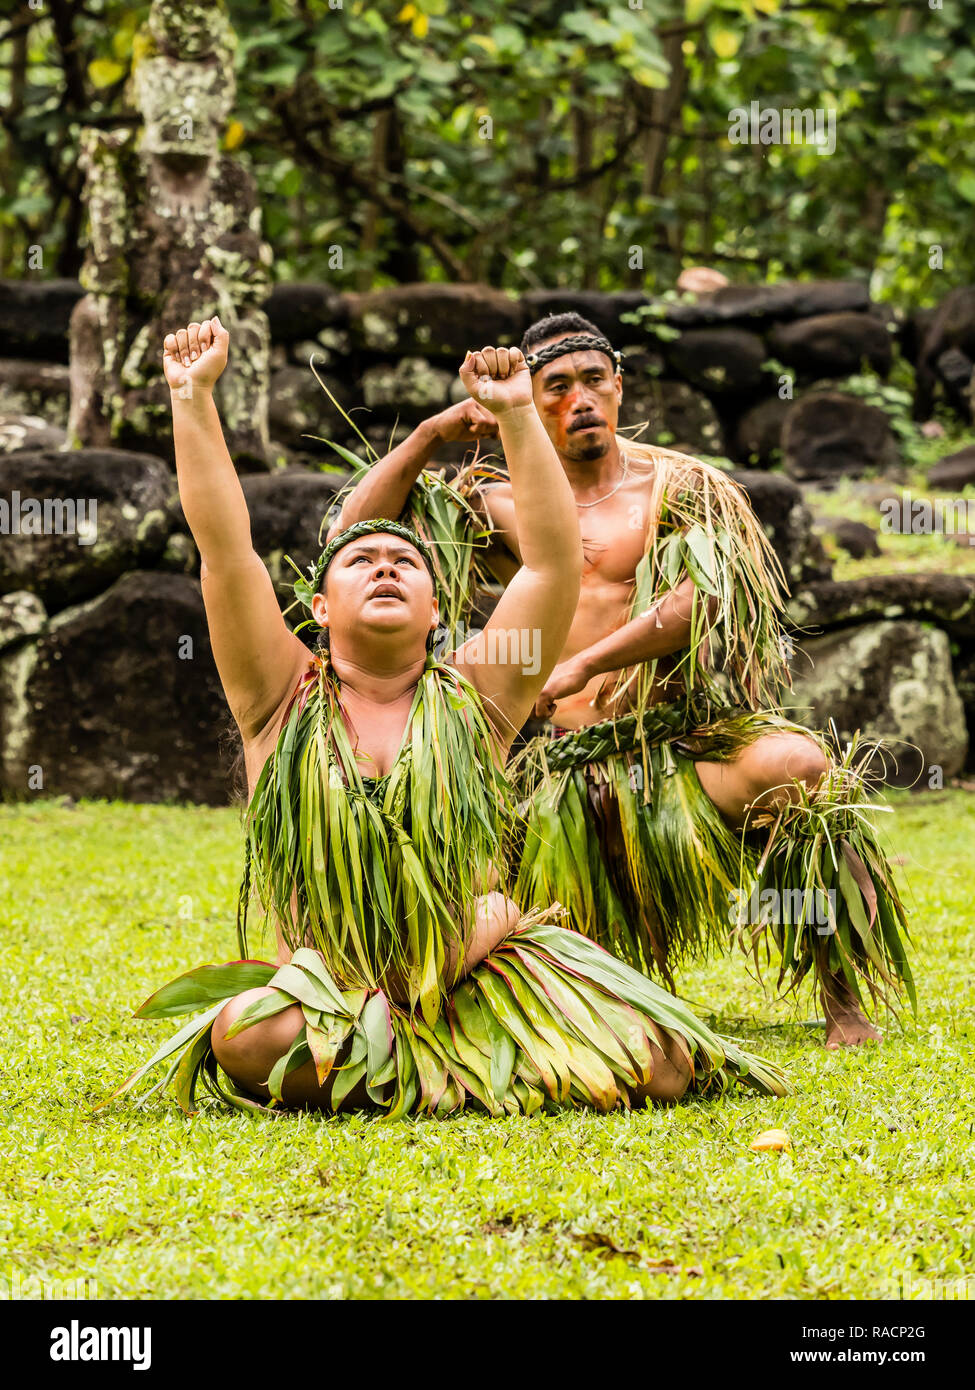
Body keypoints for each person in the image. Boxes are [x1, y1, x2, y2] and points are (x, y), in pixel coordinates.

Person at [106, 318, 787, 1118]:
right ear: (320, 608)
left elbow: (551, 560)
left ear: (438, 611)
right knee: (246, 1036)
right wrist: (190, 397)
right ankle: (439, 1066)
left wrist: (514, 413)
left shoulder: (477, 696)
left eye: (407, 562)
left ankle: (414, 1069)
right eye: (361, 561)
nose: (387, 564)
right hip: (344, 988)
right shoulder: (274, 697)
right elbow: (225, 549)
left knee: (663, 1062)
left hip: (480, 976)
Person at [330, 314, 914, 1050]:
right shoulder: (495, 502)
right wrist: (425, 437)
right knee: (472, 878)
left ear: (617, 385)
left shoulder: (677, 484)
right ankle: (418, 996)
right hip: (558, 771)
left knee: (797, 768)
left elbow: (706, 597)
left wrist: (583, 662)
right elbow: (350, 543)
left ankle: (843, 1006)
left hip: (682, 744)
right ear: (528, 400)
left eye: (592, 380)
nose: (579, 399)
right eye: (556, 386)